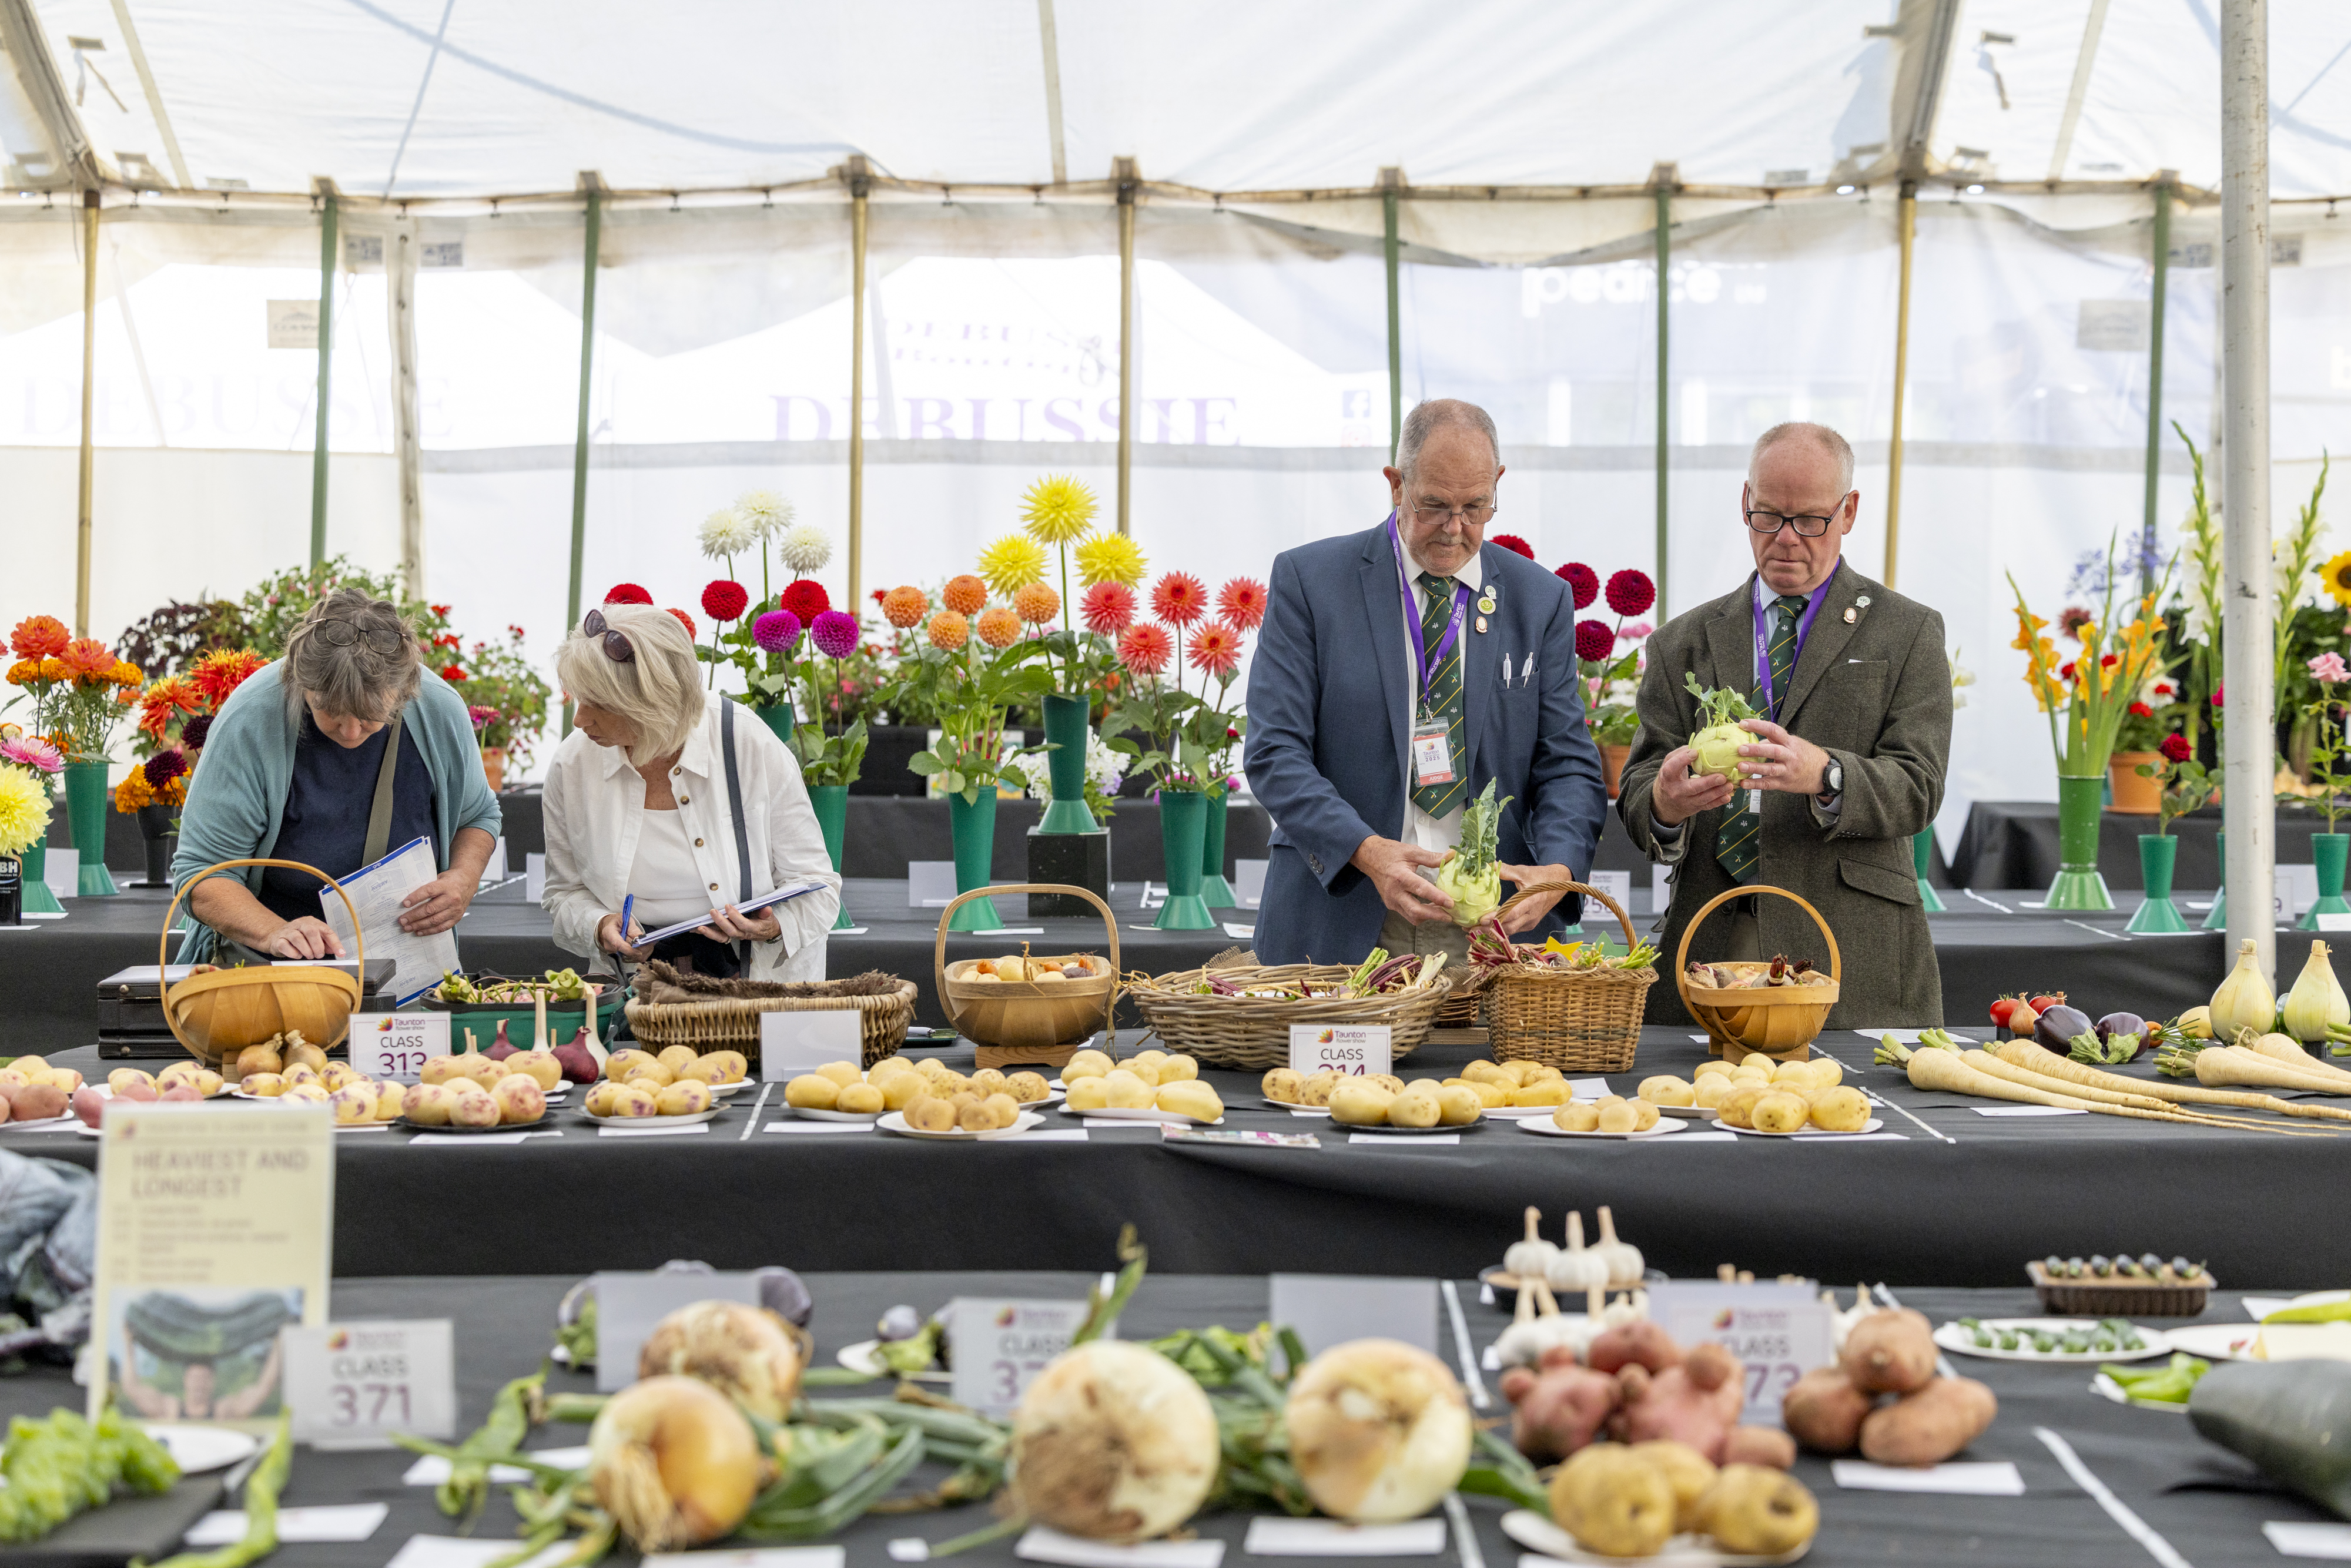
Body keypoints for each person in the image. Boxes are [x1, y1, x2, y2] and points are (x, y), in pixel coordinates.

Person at [1244, 398, 1610, 965]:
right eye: (1434, 506)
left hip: (1490, 932)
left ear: (1497, 487)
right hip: (1345, 916)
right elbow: (1274, 751)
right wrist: (1367, 852)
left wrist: (1558, 872)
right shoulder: (1311, 583)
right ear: (1396, 484)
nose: (1456, 529)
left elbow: (1567, 762)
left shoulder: (1539, 600)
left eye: (1476, 507)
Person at [1617, 421, 1951, 1025]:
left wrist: (1826, 773)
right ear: (1745, 503)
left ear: (1848, 512)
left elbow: (1919, 787)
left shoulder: (1908, 633)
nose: (1787, 540)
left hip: (1852, 952)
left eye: (1810, 520)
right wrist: (1665, 802)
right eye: (1768, 517)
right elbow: (1640, 796)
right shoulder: (1681, 644)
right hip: (1712, 944)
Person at [175, 590, 500, 963]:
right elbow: (202, 872)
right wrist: (274, 931)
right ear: (301, 683)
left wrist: (463, 878)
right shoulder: (252, 719)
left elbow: (477, 816)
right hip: (267, 971)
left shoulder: (439, 710)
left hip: (406, 968)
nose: (350, 732)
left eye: (370, 715)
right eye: (327, 710)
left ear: (404, 691)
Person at [541, 599, 841, 981]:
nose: (580, 719)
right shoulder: (573, 765)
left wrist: (772, 927)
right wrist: (600, 925)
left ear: (651, 702)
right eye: (577, 697)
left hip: (757, 991)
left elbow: (818, 885)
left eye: (599, 703)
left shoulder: (745, 742)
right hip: (637, 989)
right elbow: (563, 892)